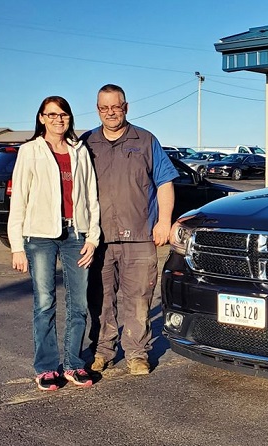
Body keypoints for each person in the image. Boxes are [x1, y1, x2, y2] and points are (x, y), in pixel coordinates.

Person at [82, 84, 178, 375]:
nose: (110, 113)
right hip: (98, 238)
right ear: (98, 109)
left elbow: (165, 183)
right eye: (104, 107)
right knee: (100, 299)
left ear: (125, 107)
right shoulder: (87, 143)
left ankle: (137, 353)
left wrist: (164, 222)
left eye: (116, 106)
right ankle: (103, 352)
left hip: (139, 235)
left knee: (138, 298)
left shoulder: (146, 140)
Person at [8, 96, 100, 391]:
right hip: (40, 237)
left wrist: (93, 237)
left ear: (69, 118)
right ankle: (46, 368)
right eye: (52, 115)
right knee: (44, 303)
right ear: (41, 118)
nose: (58, 119)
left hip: (76, 235)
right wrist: (16, 246)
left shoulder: (79, 151)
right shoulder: (30, 151)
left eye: (63, 114)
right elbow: (19, 199)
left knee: (79, 303)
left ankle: (74, 364)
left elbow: (91, 197)